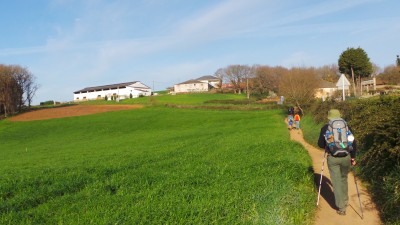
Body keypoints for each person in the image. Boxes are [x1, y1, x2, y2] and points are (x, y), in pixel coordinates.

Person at [318, 109, 357, 215]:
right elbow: (353, 142)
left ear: (329, 117)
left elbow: (320, 144)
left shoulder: (326, 128)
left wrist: (328, 145)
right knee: (344, 179)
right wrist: (353, 157)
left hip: (333, 158)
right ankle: (345, 201)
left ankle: (341, 208)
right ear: (340, 116)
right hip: (346, 157)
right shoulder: (346, 126)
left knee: (336, 182)